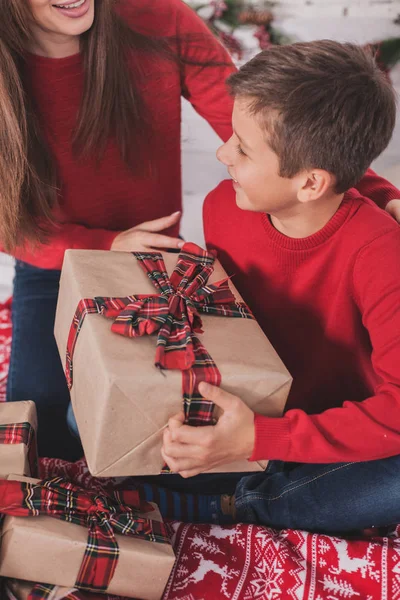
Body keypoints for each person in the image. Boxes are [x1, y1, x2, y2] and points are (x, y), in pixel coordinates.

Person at [0, 0, 398, 464]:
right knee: (42, 432)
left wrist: (373, 189)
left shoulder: (158, 19)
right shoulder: (222, 210)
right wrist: (104, 244)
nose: (223, 154)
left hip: (156, 256)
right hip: (55, 258)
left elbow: (282, 130)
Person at [145, 41, 400, 534]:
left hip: (335, 435)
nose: (222, 153)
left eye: (241, 147)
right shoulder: (223, 206)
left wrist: (258, 439)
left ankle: (241, 505)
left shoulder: (383, 255)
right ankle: (248, 482)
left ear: (309, 184)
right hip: (250, 404)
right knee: (78, 418)